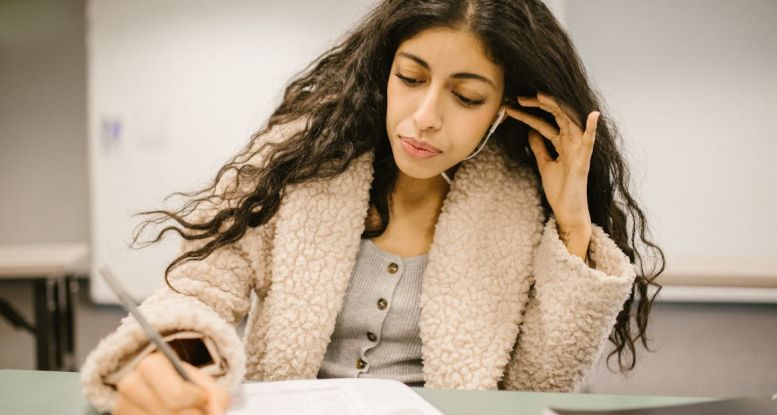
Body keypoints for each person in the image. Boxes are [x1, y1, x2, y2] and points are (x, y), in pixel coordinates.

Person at [81, 0, 664, 414]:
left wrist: (571, 225)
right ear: (383, 69)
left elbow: (540, 383)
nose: (425, 115)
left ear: (506, 107)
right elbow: (201, 289)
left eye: (466, 96)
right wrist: (174, 359)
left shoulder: (520, 203)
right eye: (410, 78)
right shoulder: (300, 159)